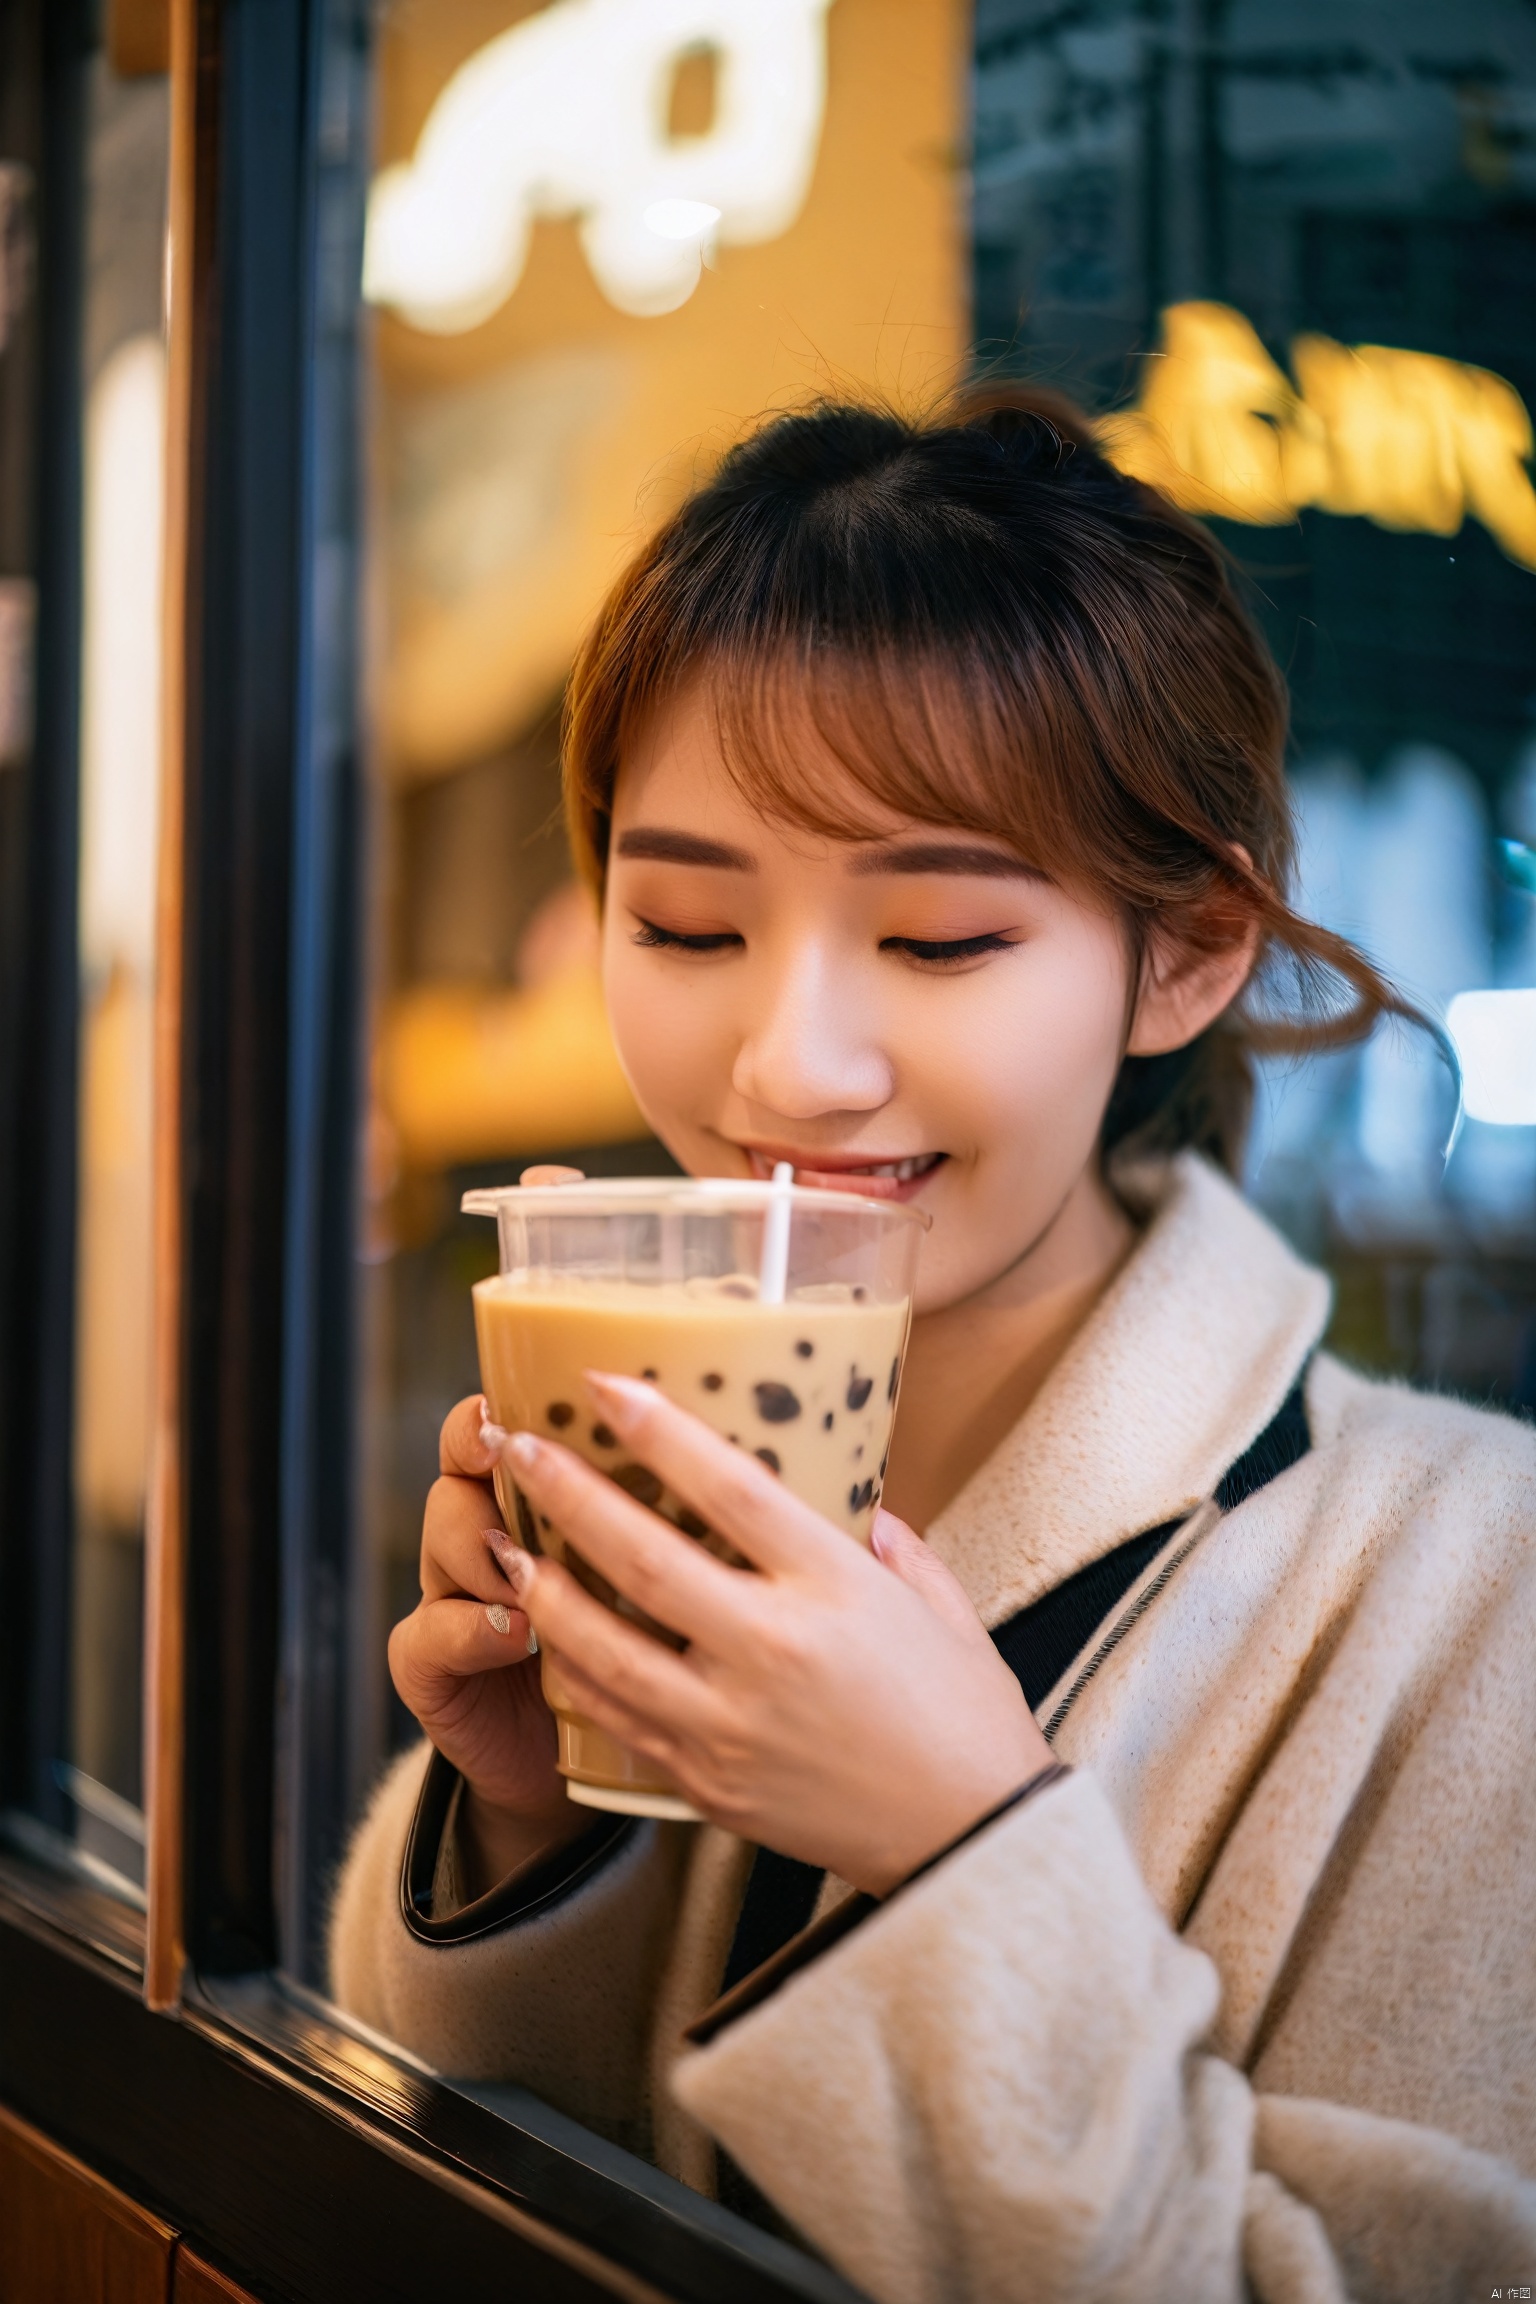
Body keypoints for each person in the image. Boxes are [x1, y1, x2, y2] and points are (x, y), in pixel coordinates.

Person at [330, 393, 1536, 2304]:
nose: (788, 1063)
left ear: (1190, 954)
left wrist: (960, 1846)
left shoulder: (1482, 1580)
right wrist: (543, 1822)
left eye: (944, 938)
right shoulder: (660, 1432)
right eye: (686, 922)